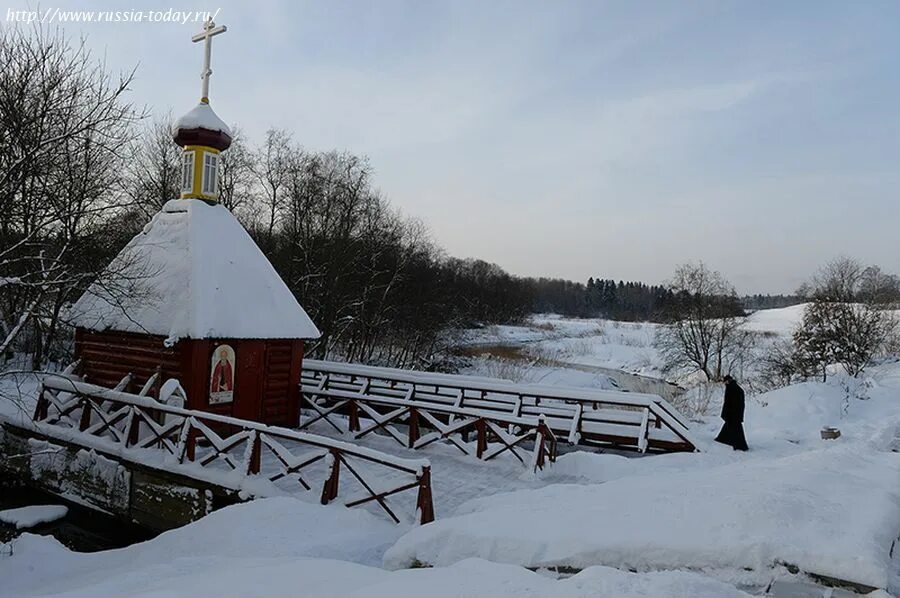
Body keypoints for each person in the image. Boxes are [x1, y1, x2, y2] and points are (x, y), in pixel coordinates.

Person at [714, 375, 748, 451]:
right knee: (729, 426)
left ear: (728, 381)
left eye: (725, 382)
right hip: (735, 413)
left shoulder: (732, 389)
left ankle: (741, 446)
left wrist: (727, 413)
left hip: (733, 413)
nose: (724, 383)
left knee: (736, 428)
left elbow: (729, 403)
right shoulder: (735, 388)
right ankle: (723, 439)